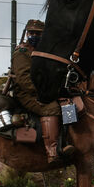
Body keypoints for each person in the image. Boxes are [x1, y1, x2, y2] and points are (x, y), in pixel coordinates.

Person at [10, 19, 74, 163]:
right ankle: (52, 151)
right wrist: (45, 91)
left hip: (46, 91)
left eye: (38, 33)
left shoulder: (44, 52)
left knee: (69, 105)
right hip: (27, 94)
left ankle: (69, 141)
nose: (34, 35)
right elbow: (23, 80)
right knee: (51, 109)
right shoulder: (22, 52)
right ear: (26, 33)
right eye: (31, 32)